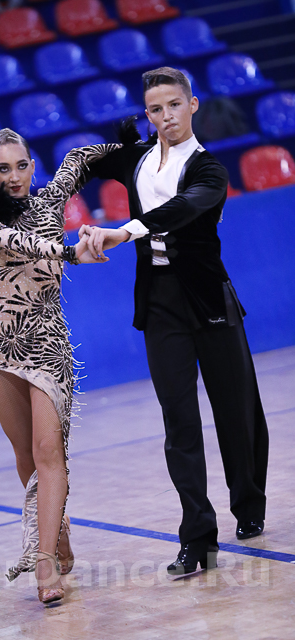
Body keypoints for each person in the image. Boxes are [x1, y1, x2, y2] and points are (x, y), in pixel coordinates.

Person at [81, 67, 269, 575]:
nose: (166, 116)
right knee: (179, 421)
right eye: (155, 109)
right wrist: (50, 193)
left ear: (193, 105)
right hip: (160, 304)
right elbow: (85, 162)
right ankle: (198, 538)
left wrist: (123, 231)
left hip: (209, 299)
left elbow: (183, 209)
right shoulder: (138, 160)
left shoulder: (210, 170)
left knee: (236, 411)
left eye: (174, 105)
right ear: (147, 114)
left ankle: (249, 503)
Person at [0, 129, 118, 603]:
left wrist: (140, 144)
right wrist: (69, 252)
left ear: (32, 164)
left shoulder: (50, 201)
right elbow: (17, 242)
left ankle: (45, 565)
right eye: (3, 168)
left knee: (49, 452)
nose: (14, 176)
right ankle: (58, 531)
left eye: (21, 165)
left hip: (47, 344)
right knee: (26, 457)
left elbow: (80, 158)